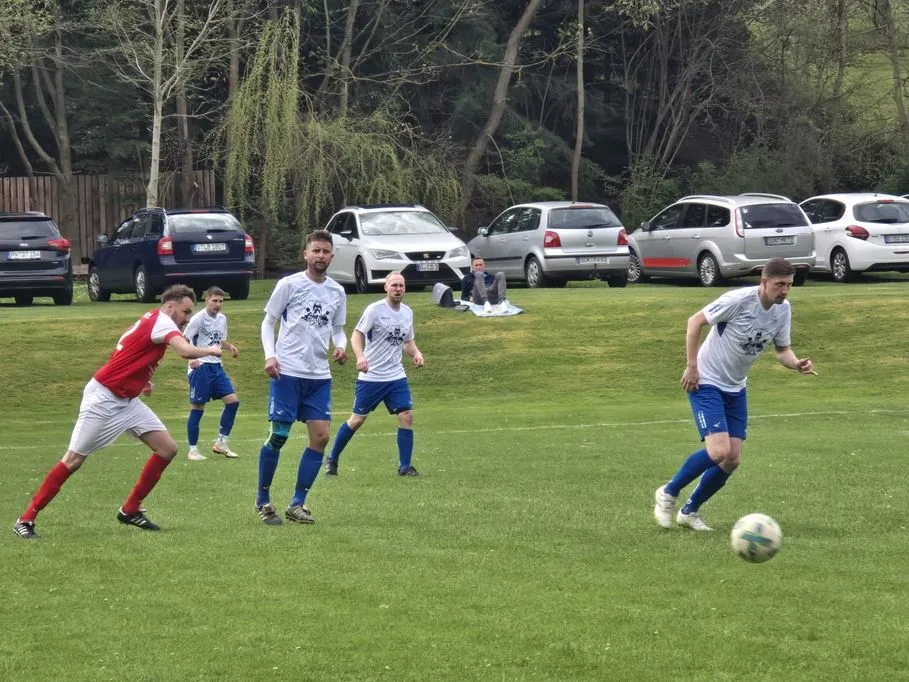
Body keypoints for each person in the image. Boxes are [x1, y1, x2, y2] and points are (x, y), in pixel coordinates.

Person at [13, 284, 222, 539]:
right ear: (170, 306)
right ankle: (26, 519)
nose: (187, 318)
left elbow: (125, 349)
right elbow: (185, 351)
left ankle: (130, 509)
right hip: (103, 399)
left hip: (127, 400)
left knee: (167, 448)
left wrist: (141, 380)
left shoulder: (151, 319)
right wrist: (209, 350)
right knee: (73, 460)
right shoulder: (163, 322)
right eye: (186, 311)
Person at [653, 258, 816, 532]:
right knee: (719, 452)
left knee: (732, 459)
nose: (785, 290)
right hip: (706, 381)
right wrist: (692, 366)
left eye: (789, 285)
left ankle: (689, 512)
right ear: (764, 282)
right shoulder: (738, 300)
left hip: (736, 387)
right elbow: (695, 322)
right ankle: (668, 492)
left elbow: (782, 351)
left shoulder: (783, 310)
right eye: (779, 285)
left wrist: (796, 364)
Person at [256, 229, 348, 526]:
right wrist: (270, 355)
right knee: (279, 436)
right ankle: (262, 499)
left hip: (319, 376)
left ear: (331, 256)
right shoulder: (289, 284)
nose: (320, 256)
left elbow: (338, 329)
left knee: (321, 437)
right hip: (288, 372)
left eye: (325, 251)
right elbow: (268, 322)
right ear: (306, 254)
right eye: (315, 251)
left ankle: (297, 504)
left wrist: (341, 346)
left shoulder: (337, 291)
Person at [325, 272, 424, 477]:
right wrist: (360, 357)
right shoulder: (374, 310)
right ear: (386, 287)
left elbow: (407, 341)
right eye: (394, 285)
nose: (398, 289)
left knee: (406, 416)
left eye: (401, 285)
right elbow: (357, 334)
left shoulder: (408, 312)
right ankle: (332, 459)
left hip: (396, 376)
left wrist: (416, 353)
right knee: (356, 420)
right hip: (372, 376)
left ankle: (405, 467)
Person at [183, 286, 241, 461]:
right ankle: (193, 450)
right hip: (200, 366)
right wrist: (191, 359)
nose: (218, 304)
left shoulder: (222, 318)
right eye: (214, 300)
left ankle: (221, 443)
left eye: (221, 301)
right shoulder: (198, 319)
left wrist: (230, 346)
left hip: (217, 367)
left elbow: (218, 341)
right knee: (198, 407)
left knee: (233, 402)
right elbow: (184, 339)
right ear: (206, 300)